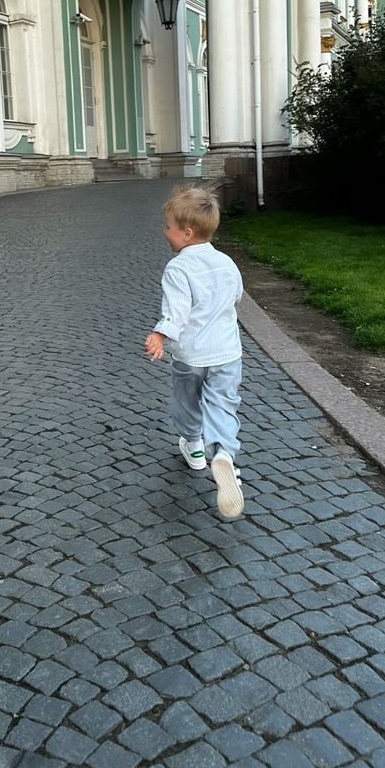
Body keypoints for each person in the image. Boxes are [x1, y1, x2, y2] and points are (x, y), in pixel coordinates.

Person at [144, 186, 245, 519]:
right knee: (223, 403)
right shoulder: (227, 262)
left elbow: (177, 311)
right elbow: (236, 297)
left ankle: (194, 445)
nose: (165, 232)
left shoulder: (178, 268)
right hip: (227, 353)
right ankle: (224, 455)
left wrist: (160, 335)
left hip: (190, 356)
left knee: (187, 400)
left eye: (169, 227)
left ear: (186, 234)